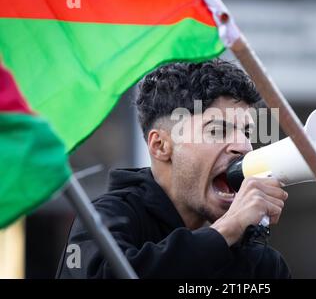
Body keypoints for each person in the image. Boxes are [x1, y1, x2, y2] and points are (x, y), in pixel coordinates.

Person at [56, 59, 290, 278]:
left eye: (247, 132)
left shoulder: (260, 263)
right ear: (161, 146)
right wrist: (227, 229)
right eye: (217, 130)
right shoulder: (102, 221)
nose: (244, 146)